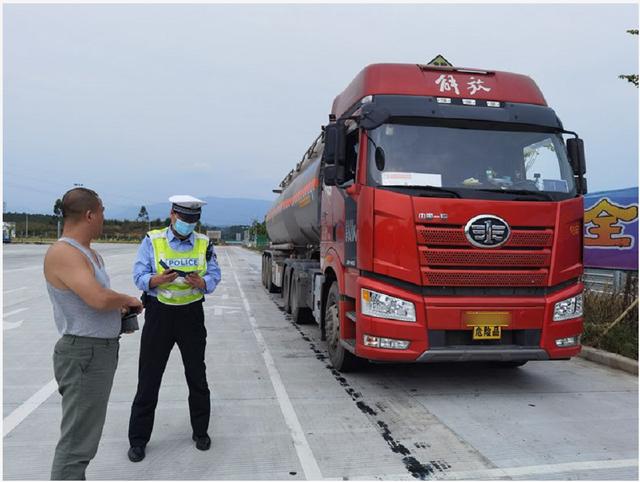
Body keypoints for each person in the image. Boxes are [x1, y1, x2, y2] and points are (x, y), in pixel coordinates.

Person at [44, 187, 143, 480]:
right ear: (90, 214)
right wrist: (127, 300)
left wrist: (119, 313)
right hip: (83, 355)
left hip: (97, 352)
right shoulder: (64, 252)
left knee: (85, 439)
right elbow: (98, 298)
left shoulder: (90, 253)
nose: (103, 218)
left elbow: (97, 301)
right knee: (77, 444)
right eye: (101, 213)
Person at [127, 195, 221, 462]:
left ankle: (200, 432)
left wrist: (201, 283)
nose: (188, 225)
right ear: (172, 215)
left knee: (197, 376)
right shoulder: (152, 240)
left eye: (193, 221)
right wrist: (157, 279)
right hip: (159, 315)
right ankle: (138, 440)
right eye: (183, 219)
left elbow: (214, 275)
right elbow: (139, 275)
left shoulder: (204, 244)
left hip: (191, 315)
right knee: (149, 379)